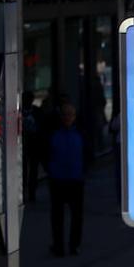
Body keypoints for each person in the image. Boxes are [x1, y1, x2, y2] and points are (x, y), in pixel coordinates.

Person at [46, 102, 86, 256]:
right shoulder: (54, 134)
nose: (68, 118)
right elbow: (47, 152)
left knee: (76, 216)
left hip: (76, 179)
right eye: (65, 115)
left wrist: (83, 171)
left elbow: (87, 153)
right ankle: (58, 246)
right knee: (57, 216)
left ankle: (74, 245)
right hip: (58, 179)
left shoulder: (80, 133)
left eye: (70, 115)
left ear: (74, 117)